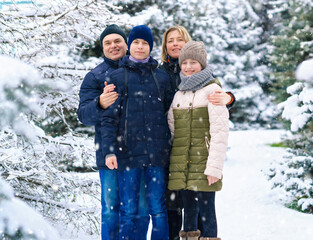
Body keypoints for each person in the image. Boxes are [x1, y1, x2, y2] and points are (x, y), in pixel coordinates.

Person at [159, 25, 235, 240]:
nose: (189, 67)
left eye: (193, 62)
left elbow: (220, 132)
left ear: (202, 63)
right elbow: (172, 131)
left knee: (206, 212)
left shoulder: (212, 89)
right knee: (185, 215)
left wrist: (214, 167)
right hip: (180, 164)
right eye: (185, 63)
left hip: (202, 163)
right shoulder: (176, 92)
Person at [77, 24, 149, 240]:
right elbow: (83, 115)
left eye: (117, 40)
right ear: (102, 47)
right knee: (111, 210)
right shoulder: (95, 76)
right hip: (109, 154)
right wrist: (99, 103)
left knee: (141, 209)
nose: (113, 46)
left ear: (126, 44)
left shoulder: (142, 69)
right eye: (107, 42)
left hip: (140, 153)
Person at [101, 25, 172, 240]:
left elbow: (171, 114)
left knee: (158, 209)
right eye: (136, 43)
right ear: (129, 46)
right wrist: (110, 151)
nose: (140, 47)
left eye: (145, 43)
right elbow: (108, 119)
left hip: (157, 155)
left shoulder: (161, 77)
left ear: (150, 47)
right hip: (128, 154)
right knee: (128, 210)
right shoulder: (117, 76)